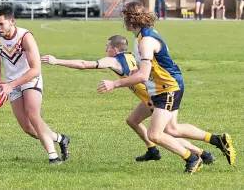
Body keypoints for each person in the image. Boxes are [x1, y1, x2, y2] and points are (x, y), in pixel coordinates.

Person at [97, 1, 236, 174]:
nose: (123, 20)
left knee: (154, 135)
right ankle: (217, 140)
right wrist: (142, 68)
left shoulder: (145, 40)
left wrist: (115, 83)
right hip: (162, 86)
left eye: (124, 16)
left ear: (131, 20)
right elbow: (160, 57)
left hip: (168, 88)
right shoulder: (144, 35)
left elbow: (142, 76)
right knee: (171, 129)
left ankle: (192, 158)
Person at [41, 35, 214, 164]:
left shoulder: (114, 60)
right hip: (156, 94)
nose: (106, 50)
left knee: (166, 133)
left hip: (156, 98)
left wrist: (57, 61)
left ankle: (202, 154)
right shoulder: (134, 55)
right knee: (133, 120)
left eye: (107, 47)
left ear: (115, 49)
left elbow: (84, 64)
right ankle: (152, 150)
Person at [0, 4, 70, 164]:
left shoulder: (25, 37)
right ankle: (60, 138)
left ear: (12, 21)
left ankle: (53, 156)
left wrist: (11, 86)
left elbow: (36, 69)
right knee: (28, 128)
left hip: (30, 78)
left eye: (1, 24)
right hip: (12, 82)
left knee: (33, 115)